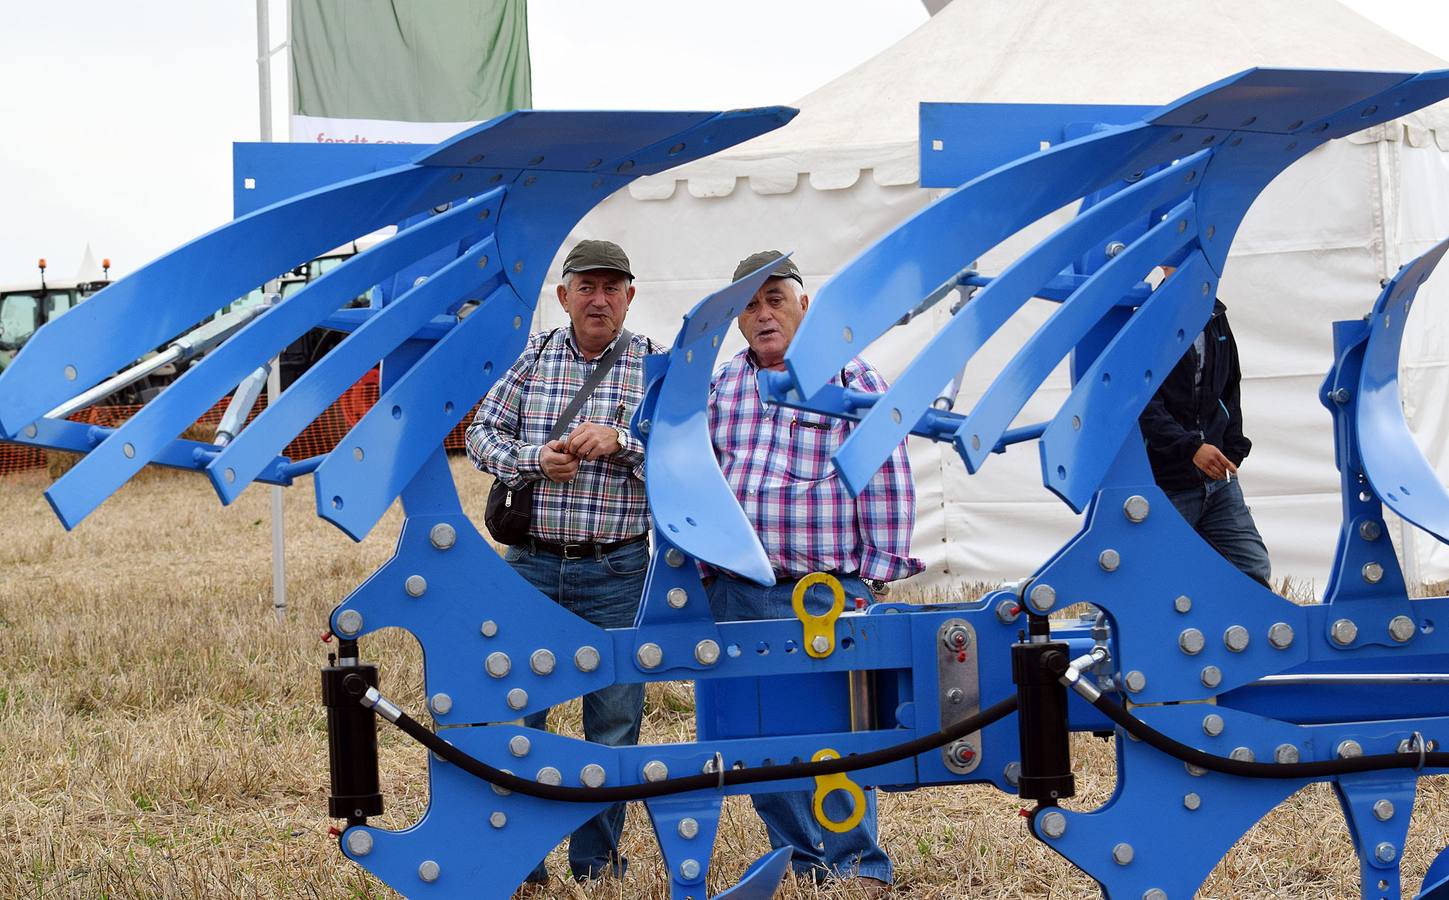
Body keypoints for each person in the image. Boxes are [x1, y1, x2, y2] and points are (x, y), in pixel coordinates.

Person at [705, 251, 923, 896]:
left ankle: (859, 865)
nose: (763, 313)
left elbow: (886, 475)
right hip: (740, 589)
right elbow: (702, 473)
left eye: (775, 298)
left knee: (838, 736)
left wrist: (872, 577)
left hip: (822, 594)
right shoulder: (722, 386)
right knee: (760, 735)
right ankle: (799, 860)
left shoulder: (853, 382)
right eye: (749, 304)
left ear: (807, 305)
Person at [465, 239, 663, 887]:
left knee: (610, 723)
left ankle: (595, 866)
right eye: (586, 286)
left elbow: (682, 449)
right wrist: (533, 460)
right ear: (564, 296)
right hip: (531, 565)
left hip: (617, 568)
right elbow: (479, 434)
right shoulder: (533, 357)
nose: (599, 298)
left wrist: (624, 440)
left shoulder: (654, 367)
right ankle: (524, 863)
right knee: (520, 714)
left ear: (630, 296)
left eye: (612, 287)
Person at [1138, 272, 1271, 586]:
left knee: (1253, 569)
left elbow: (1230, 388)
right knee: (1159, 582)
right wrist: (1190, 448)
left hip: (1218, 480)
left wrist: (1234, 448)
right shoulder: (1147, 322)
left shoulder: (1216, 317)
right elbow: (1141, 404)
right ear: (1165, 267)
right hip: (1166, 482)